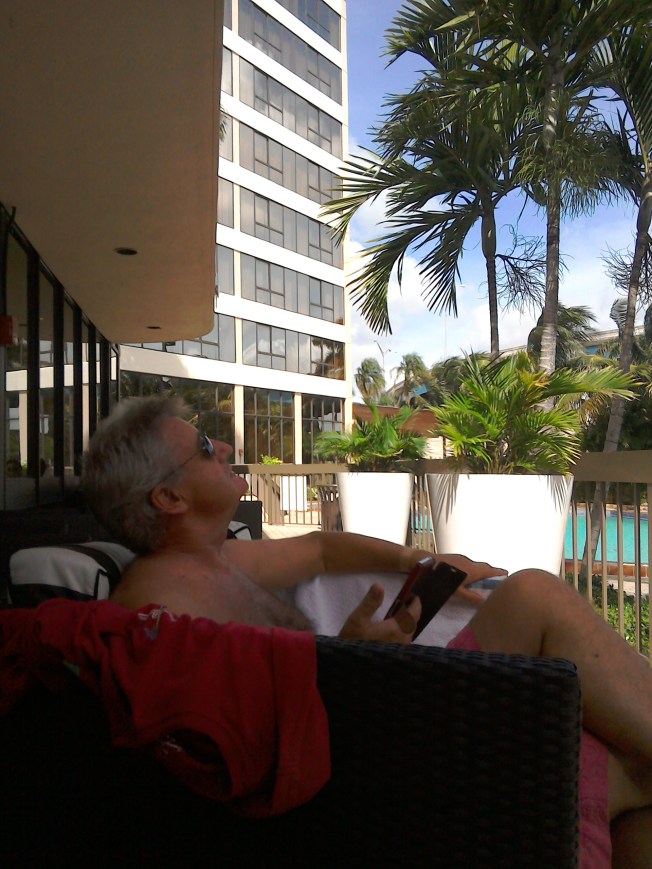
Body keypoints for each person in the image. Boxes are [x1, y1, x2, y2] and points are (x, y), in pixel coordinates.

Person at [83, 396, 652, 867]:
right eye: (206, 448)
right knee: (533, 596)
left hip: (369, 713)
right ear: (169, 497)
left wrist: (422, 561)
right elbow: (231, 753)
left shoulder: (216, 559)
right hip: (365, 758)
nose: (226, 448)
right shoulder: (154, 612)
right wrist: (348, 668)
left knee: (620, 766)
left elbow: (322, 549)